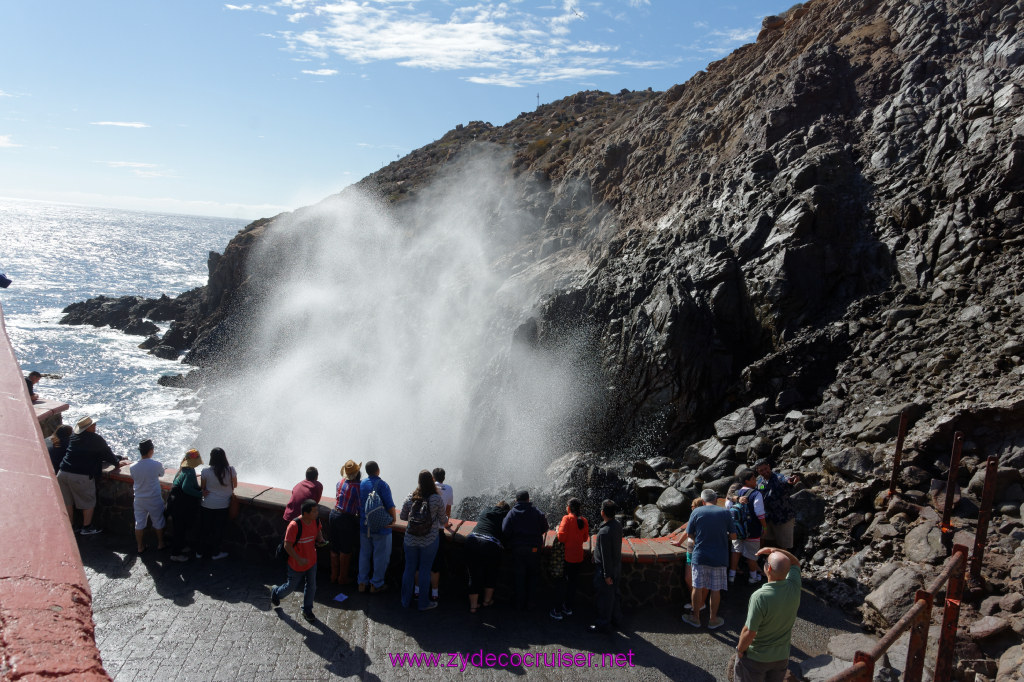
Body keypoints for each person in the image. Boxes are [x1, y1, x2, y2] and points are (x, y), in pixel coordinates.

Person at [734, 547, 802, 682]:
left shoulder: (760, 597)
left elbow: (750, 631)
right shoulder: (794, 586)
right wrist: (776, 550)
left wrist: (740, 649)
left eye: (766, 562)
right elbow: (795, 563)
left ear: (768, 569)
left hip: (756, 658)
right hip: (781, 657)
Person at [56, 416, 128, 535]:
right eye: (93, 425)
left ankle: (71, 526)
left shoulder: (74, 436)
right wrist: (117, 461)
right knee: (88, 502)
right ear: (88, 428)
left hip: (62, 473)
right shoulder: (95, 439)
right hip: (80, 476)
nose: (95, 426)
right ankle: (87, 527)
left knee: (68, 502)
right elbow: (106, 454)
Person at [682, 489, 735, 630]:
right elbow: (734, 536)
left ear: (703, 500)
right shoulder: (725, 513)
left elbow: (689, 533)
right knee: (715, 589)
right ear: (717, 499)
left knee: (697, 587)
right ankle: (713, 619)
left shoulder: (696, 512)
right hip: (720, 556)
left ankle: (695, 618)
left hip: (700, 555)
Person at [399, 470, 448, 611]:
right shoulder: (436, 498)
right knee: (425, 570)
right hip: (429, 540)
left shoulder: (410, 497)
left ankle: (405, 601)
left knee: (409, 569)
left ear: (419, 481)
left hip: (410, 539)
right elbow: (443, 520)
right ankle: (423, 603)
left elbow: (402, 516)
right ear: (431, 481)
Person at [270, 498, 324, 623]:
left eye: (317, 511)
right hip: (296, 563)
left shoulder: (315, 521)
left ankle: (307, 610)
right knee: (291, 587)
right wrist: (299, 559)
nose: (317, 514)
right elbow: (287, 546)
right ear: (305, 513)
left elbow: (318, 531)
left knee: (312, 586)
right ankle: (276, 592)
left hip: (311, 560)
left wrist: (320, 539)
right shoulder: (294, 526)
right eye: (314, 511)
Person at [501, 490, 549, 611]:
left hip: (518, 549)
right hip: (534, 549)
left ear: (516, 501)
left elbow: (505, 530)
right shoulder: (537, 512)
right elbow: (545, 527)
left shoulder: (512, 513)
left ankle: (519, 604)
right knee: (533, 576)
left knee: (519, 576)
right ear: (528, 499)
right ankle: (531, 604)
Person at [358, 461, 397, 593]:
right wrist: (393, 520)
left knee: (364, 554)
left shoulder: (362, 484)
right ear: (378, 470)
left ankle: (362, 583)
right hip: (381, 527)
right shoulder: (383, 485)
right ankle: (376, 584)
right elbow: (390, 505)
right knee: (381, 556)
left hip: (364, 525)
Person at [465, 501, 509, 613]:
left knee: (473, 575)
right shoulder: (506, 516)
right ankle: (486, 601)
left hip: (472, 540)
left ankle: (473, 607)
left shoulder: (486, 510)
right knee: (491, 573)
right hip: (490, 544)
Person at [550, 497, 589, 621]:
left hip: (566, 558)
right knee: (572, 584)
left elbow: (561, 538)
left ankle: (557, 610)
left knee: (561, 584)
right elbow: (585, 539)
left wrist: (557, 529)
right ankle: (568, 607)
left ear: (568, 508)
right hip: (578, 557)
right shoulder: (584, 520)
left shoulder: (566, 519)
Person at [589, 499, 623, 634]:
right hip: (616, 567)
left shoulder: (604, 532)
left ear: (602, 512)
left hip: (605, 570)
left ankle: (602, 624)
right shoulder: (617, 525)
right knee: (613, 595)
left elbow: (606, 555)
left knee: (604, 598)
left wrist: (606, 575)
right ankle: (617, 619)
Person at [199, 447, 237, 560]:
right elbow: (235, 485)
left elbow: (203, 487)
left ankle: (200, 552)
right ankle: (216, 553)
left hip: (207, 504)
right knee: (218, 530)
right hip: (223, 505)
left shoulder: (205, 471)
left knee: (204, 529)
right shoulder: (231, 470)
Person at [729, 471, 766, 584]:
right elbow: (759, 513)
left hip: (737, 529)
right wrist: (765, 527)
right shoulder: (756, 494)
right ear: (747, 481)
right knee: (751, 554)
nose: (755, 481)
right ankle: (753, 577)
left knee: (736, 551)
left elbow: (728, 507)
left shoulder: (735, 494)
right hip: (752, 529)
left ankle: (731, 576)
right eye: (753, 479)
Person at [669, 497, 706, 613]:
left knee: (701, 579)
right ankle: (697, 601)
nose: (691, 508)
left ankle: (700, 603)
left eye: (693, 506)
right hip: (691, 550)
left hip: (700, 550)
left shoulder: (702, 517)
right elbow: (686, 531)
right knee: (688, 578)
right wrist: (679, 542)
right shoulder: (693, 516)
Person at [755, 460, 800, 552]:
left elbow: (787, 480)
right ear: (758, 471)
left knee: (784, 545)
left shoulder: (779, 478)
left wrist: (791, 480)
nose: (764, 472)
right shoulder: (760, 482)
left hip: (783, 517)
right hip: (769, 518)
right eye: (761, 470)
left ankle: (787, 563)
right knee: (769, 542)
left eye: (766, 469)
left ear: (769, 466)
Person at [129, 439, 166, 553]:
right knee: (158, 521)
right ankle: (160, 543)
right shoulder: (156, 464)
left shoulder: (133, 467)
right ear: (151, 451)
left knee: (139, 523)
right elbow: (162, 473)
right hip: (154, 498)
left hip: (139, 498)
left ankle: (140, 547)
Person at [329, 460, 361, 585]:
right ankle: (342, 578)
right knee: (345, 550)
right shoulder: (357, 486)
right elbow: (359, 506)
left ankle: (333, 575)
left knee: (334, 547)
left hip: (334, 515)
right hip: (345, 518)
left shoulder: (340, 482)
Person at [168, 449, 203, 562]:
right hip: (180, 505)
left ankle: (181, 547)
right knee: (180, 529)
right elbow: (186, 488)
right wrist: (200, 494)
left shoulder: (182, 470)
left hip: (174, 503)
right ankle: (175, 554)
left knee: (179, 528)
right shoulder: (190, 472)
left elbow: (176, 484)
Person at [426, 466, 453, 602]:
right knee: (436, 564)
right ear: (444, 478)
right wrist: (446, 524)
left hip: (425, 530)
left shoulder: (427, 488)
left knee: (423, 561)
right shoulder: (449, 489)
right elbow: (447, 511)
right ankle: (435, 593)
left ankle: (418, 591)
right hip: (439, 530)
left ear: (433, 477)